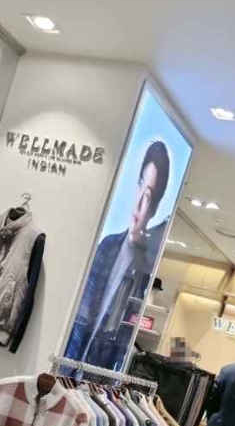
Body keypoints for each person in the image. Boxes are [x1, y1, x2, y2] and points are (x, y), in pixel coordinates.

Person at [65, 141, 171, 370]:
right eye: (140, 185)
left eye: (149, 195)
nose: (140, 202)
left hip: (102, 365)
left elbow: (125, 337)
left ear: (155, 207)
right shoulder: (107, 245)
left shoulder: (146, 266)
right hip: (72, 352)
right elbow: (79, 312)